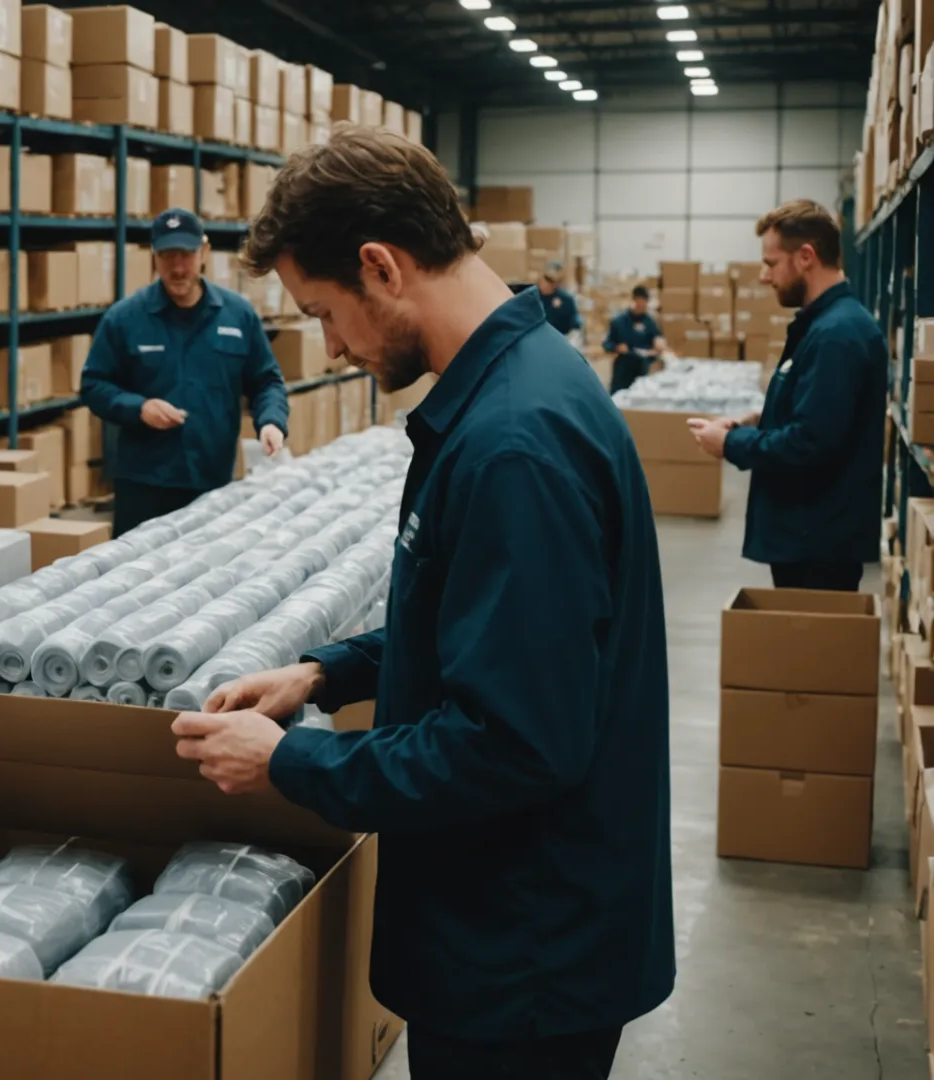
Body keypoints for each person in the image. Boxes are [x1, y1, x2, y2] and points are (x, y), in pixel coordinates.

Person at [169, 128, 672, 1079]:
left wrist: (295, 763)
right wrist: (330, 670)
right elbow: (494, 623)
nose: (330, 345)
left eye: (324, 313)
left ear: (381, 267)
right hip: (513, 925)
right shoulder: (514, 394)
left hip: (522, 954)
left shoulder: (514, 445)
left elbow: (512, 742)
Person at [687, 200, 885, 592]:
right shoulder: (824, 326)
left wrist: (731, 443)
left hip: (818, 545)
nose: (764, 276)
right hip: (810, 538)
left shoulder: (836, 336)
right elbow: (818, 414)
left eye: (771, 263)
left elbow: (809, 443)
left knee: (810, 653)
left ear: (806, 256)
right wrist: (753, 421)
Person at [79, 207, 289, 536]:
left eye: (186, 255)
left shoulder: (237, 316)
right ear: (154, 257)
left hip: (214, 483)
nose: (178, 268)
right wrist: (139, 408)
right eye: (167, 256)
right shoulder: (125, 319)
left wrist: (272, 421)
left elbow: (266, 381)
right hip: (145, 487)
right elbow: (94, 385)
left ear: (204, 252)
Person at [602, 285, 668, 394]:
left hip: (642, 369)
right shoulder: (619, 322)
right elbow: (606, 344)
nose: (642, 306)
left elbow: (658, 339)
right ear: (634, 301)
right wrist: (616, 347)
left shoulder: (650, 323)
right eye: (639, 302)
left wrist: (659, 344)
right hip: (623, 370)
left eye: (645, 303)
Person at [535, 262, 581, 338]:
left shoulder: (566, 300)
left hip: (559, 340)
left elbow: (574, 324)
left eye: (551, 281)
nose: (547, 284)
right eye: (546, 279)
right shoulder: (531, 298)